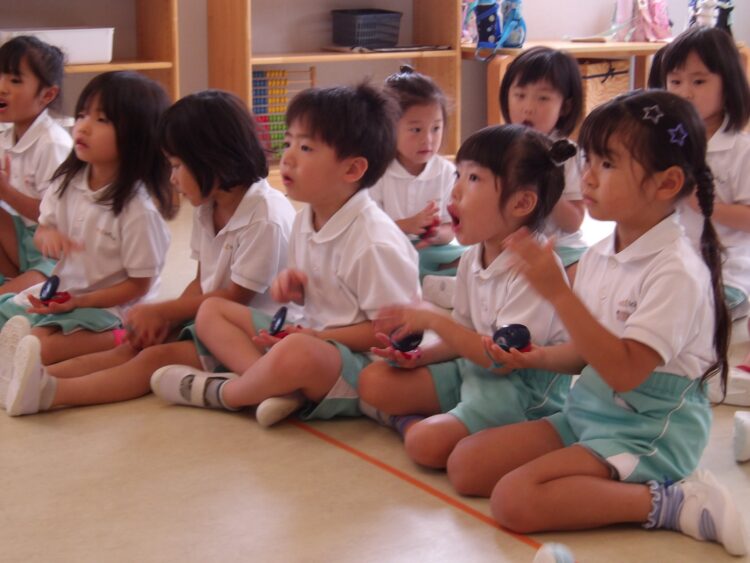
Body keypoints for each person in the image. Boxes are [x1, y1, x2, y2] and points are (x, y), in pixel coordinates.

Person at [446, 90, 747, 556]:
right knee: (467, 464)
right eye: (588, 159)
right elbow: (587, 355)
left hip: (646, 429)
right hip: (589, 411)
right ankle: (589, 472)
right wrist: (536, 358)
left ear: (666, 183)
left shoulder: (677, 271)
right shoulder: (602, 253)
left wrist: (558, 294)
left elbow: (625, 371)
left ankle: (674, 503)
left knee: (514, 500)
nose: (586, 175)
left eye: (607, 164)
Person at [2, 89, 296, 416]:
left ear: (212, 159)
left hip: (256, 338)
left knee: (153, 358)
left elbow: (234, 298)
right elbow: (202, 283)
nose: (172, 178)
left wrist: (162, 311)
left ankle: (52, 392)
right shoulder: (208, 205)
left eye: (177, 166)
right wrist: (166, 320)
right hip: (212, 321)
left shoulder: (265, 216)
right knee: (131, 347)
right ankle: (28, 377)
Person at [149, 83, 421, 427]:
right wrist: (296, 287)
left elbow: (392, 334)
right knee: (211, 311)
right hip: (312, 338)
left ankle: (229, 393)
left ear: (352, 170)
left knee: (298, 352)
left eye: (305, 147)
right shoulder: (306, 218)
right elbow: (329, 297)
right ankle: (271, 386)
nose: (288, 156)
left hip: (363, 364)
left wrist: (317, 338)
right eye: (289, 142)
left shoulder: (375, 242)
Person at [357, 125, 575, 470]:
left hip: (517, 392)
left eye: (473, 179)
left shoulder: (534, 269)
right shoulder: (473, 256)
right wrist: (420, 357)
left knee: (424, 444)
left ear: (521, 203)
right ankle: (447, 422)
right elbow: (465, 332)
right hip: (473, 370)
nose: (455, 190)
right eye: (458, 174)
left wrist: (433, 319)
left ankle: (425, 426)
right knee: (373, 381)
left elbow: (502, 361)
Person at [0, 71, 172, 371]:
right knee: (13, 320)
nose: (83, 126)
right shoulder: (67, 182)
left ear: (137, 135)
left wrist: (82, 302)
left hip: (112, 308)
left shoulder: (138, 210)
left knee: (41, 345)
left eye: (101, 119)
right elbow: (44, 227)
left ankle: (123, 338)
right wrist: (47, 235)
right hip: (65, 294)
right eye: (82, 115)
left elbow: (139, 285)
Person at [661, 26, 750, 405]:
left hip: (727, 274)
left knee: (689, 317)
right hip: (673, 265)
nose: (685, 92)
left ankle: (708, 379)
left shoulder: (740, 149)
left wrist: (708, 207)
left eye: (699, 81)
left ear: (727, 85)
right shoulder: (667, 144)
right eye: (675, 81)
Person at [368, 65, 465, 288]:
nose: (428, 139)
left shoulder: (446, 172)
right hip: (388, 248)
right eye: (416, 130)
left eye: (436, 128)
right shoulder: (378, 171)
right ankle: (431, 285)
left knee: (469, 257)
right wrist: (408, 225)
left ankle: (436, 285)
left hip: (429, 252)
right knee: (379, 264)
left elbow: (451, 228)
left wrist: (435, 234)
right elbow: (369, 229)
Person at [499, 46, 586, 281]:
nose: (528, 107)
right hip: (510, 245)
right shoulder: (499, 147)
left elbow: (574, 223)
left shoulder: (567, 153)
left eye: (543, 98)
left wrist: (546, 183)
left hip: (561, 248)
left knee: (583, 278)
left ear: (565, 106)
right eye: (520, 95)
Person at [0, 36, 72, 293]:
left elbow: (56, 217)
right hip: (21, 239)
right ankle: (12, 281)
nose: (2, 87)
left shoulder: (53, 144)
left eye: (15, 80)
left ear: (47, 94)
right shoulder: (6, 135)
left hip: (52, 248)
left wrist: (7, 192)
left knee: (46, 282)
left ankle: (18, 287)